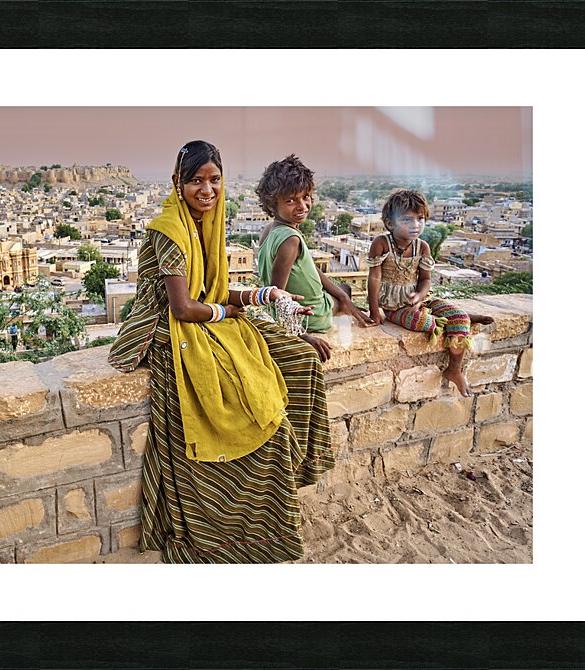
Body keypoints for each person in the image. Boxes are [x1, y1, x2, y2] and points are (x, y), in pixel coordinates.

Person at [108, 141, 334, 563]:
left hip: (206, 318)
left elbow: (208, 290)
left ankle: (297, 473)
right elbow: (183, 306)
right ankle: (235, 526)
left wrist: (261, 294)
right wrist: (229, 310)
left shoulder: (204, 225)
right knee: (256, 414)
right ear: (179, 182)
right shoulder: (171, 230)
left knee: (302, 360)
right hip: (172, 331)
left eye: (214, 180)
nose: (207, 189)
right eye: (196, 180)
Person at [366, 189, 493, 396]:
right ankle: (446, 318)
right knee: (424, 323)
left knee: (459, 319)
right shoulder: (381, 243)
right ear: (390, 223)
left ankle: (454, 368)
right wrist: (374, 311)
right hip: (393, 306)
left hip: (421, 300)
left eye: (420, 218)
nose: (416, 225)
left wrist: (420, 296)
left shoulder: (422, 247)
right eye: (407, 219)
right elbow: (375, 277)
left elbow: (425, 280)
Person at [256, 154, 376, 363]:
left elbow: (310, 268)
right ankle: (341, 306)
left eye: (306, 197)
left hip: (305, 307)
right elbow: (278, 296)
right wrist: (302, 335)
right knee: (344, 291)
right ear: (272, 204)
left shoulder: (270, 230)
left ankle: (343, 303)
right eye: (291, 200)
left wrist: (343, 297)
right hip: (311, 316)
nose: (302, 206)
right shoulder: (290, 239)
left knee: (342, 292)